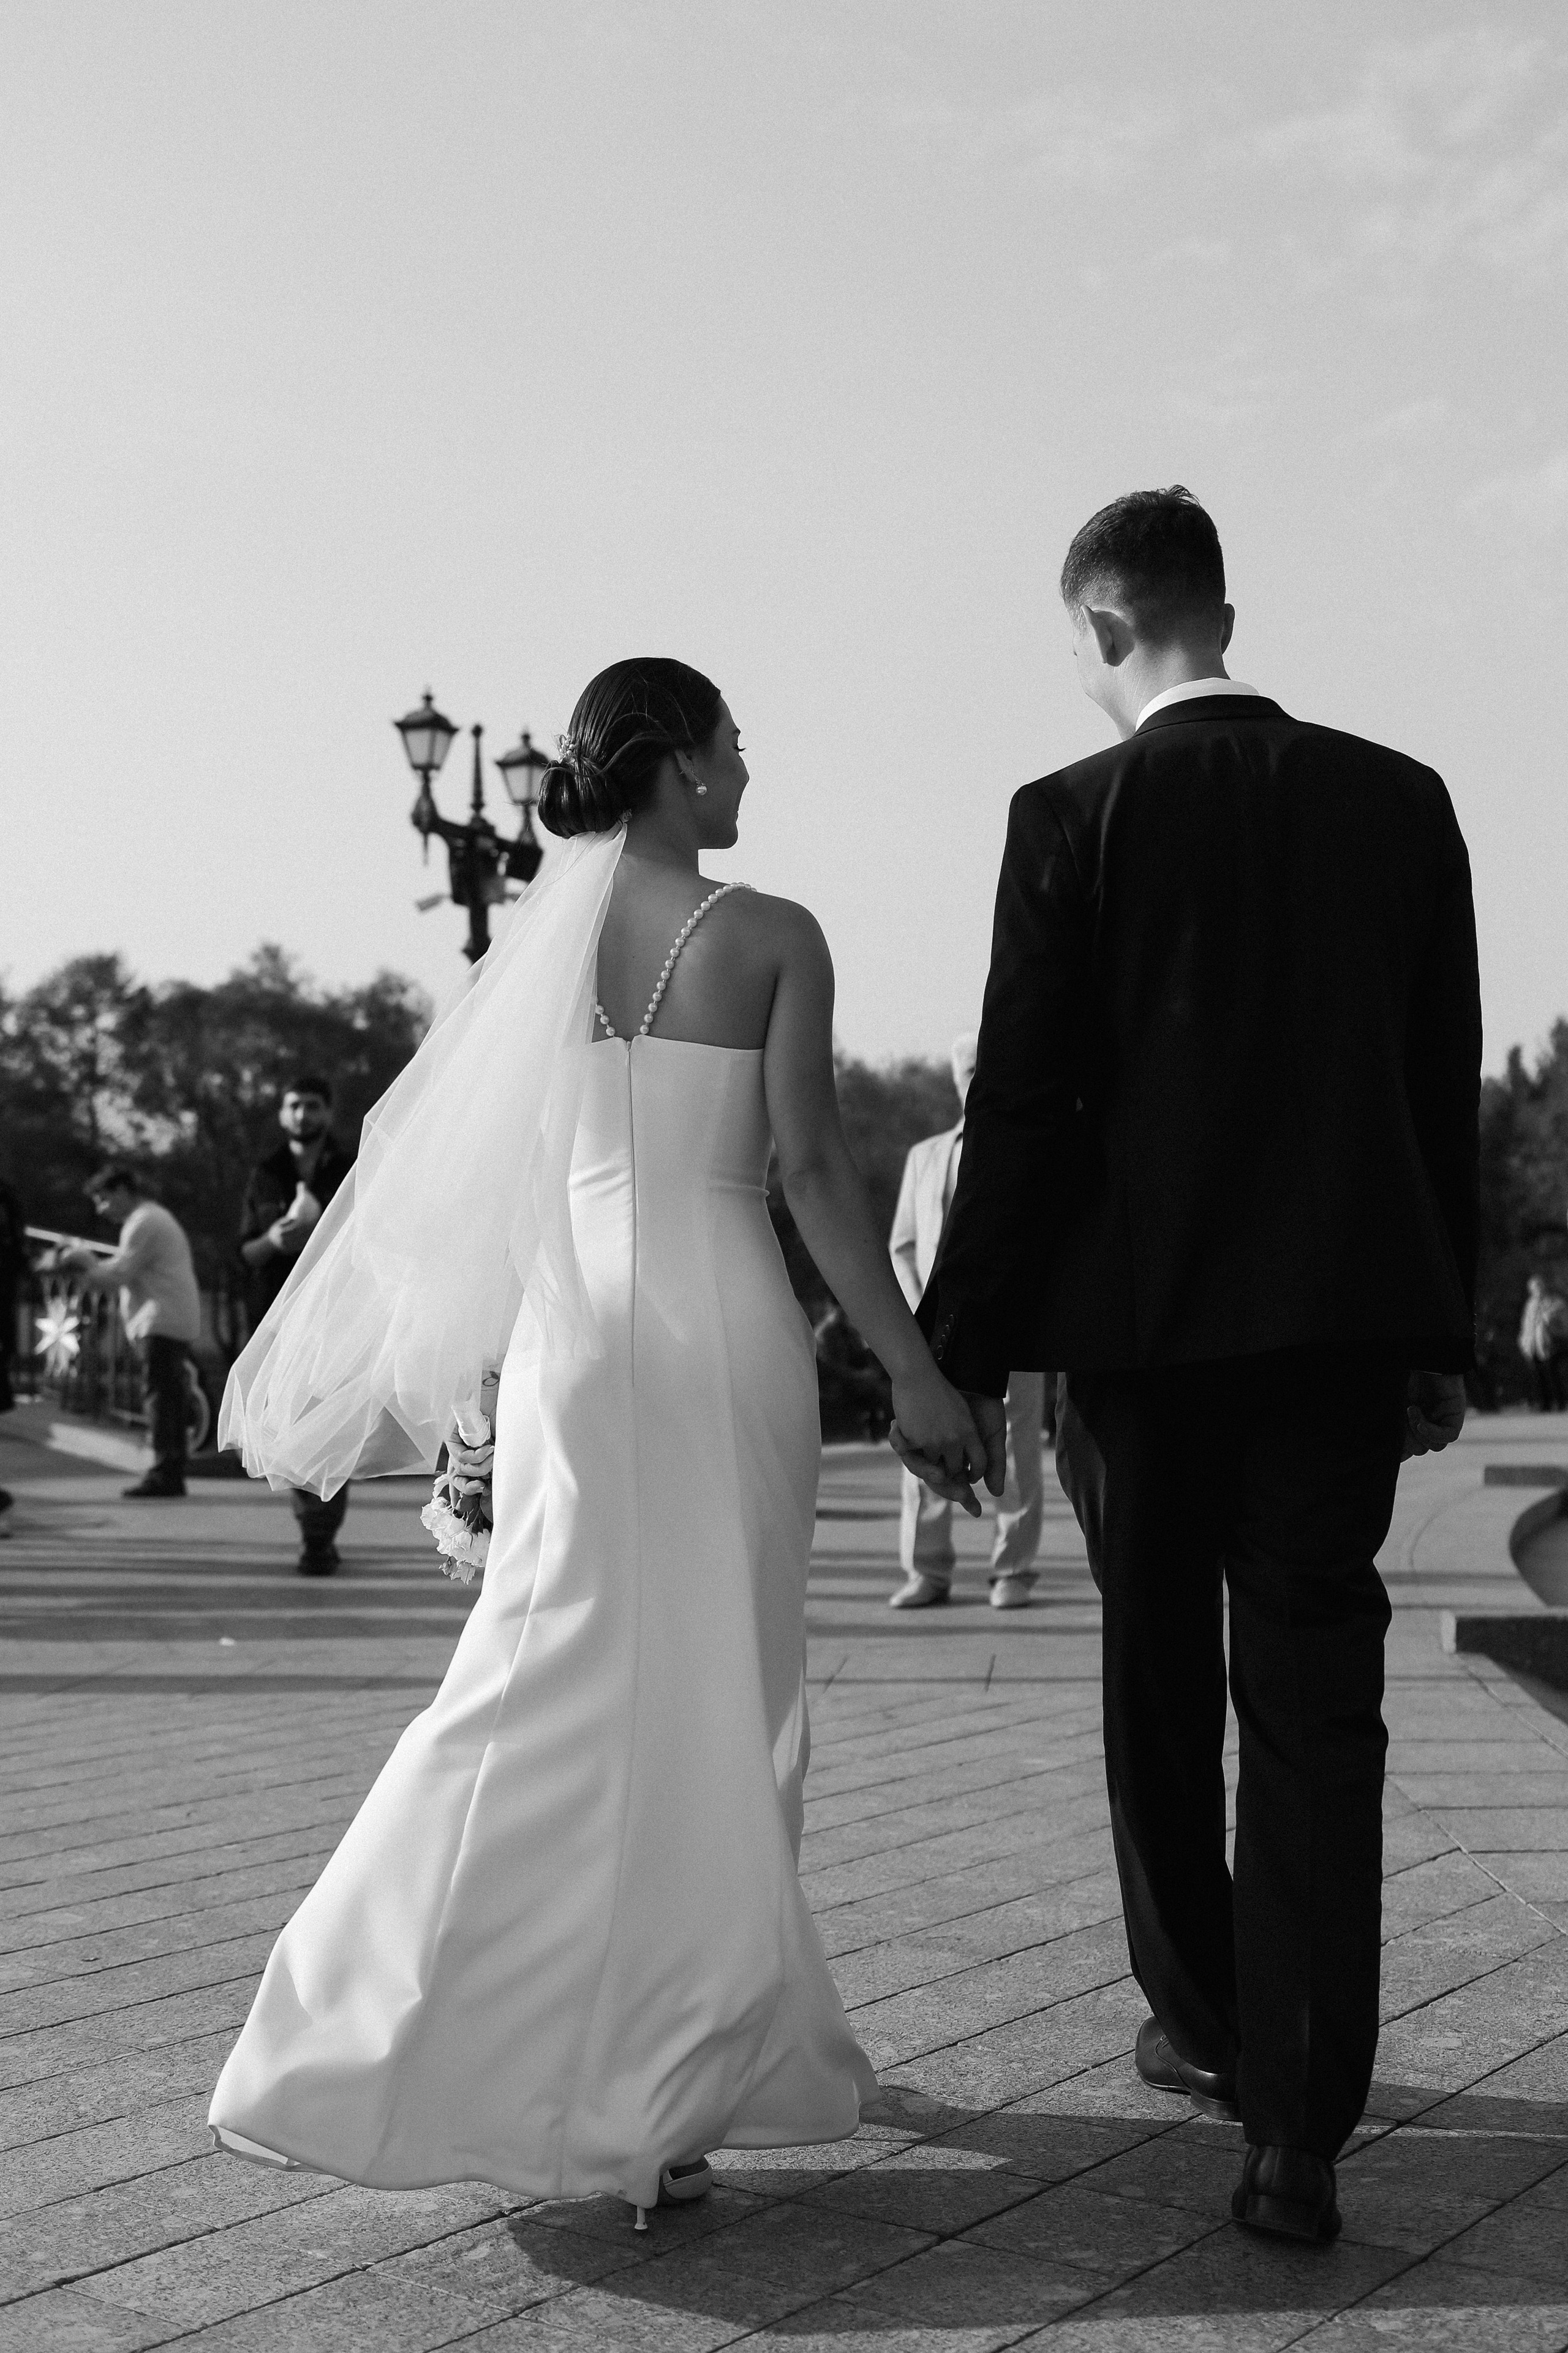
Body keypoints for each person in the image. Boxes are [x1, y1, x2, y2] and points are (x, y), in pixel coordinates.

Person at [211, 658, 987, 2224]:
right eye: (734, 745)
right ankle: (672, 2085)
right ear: (679, 765)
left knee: (537, 1673)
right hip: (721, 1331)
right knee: (722, 1691)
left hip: (575, 1348)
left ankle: (356, 2025)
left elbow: (492, 1193)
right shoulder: (771, 934)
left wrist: (489, 1391)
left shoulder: (534, 950)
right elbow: (813, 1177)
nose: (748, 770)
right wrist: (910, 1369)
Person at [907, 488, 1480, 2246]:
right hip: (1336, 1332)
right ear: (1221, 612)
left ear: (1100, 626)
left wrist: (957, 1352)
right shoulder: (1399, 799)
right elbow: (1435, 1085)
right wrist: (1439, 1330)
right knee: (1316, 1705)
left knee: (1155, 1688)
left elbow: (1018, 1107)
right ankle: (1297, 2131)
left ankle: (1209, 2023)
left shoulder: (1069, 815)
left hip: (1139, 1344)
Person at [888, 1032, 1046, 1611]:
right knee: (926, 1437)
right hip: (936, 1328)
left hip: (1014, 1329)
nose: (974, 1078)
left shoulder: (1033, 1146)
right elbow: (902, 1244)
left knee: (1017, 1449)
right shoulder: (926, 1156)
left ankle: (1012, 1568)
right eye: (966, 1069)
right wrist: (917, 1316)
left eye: (984, 1065)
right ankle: (927, 1568)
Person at [238, 1077, 357, 1573]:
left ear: (328, 1112)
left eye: (313, 1105)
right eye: (295, 1106)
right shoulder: (265, 1174)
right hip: (277, 1320)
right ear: (282, 1114)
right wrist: (273, 1239)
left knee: (328, 1429)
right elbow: (247, 1252)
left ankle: (319, 1538)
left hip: (335, 1320)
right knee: (289, 1429)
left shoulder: (351, 1167)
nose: (304, 1115)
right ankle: (312, 1527)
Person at [59, 1168, 203, 1499]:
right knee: (169, 1397)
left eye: (104, 1199)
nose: (101, 1209)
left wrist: (80, 1263)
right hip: (169, 1318)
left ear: (123, 1190)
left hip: (160, 1320)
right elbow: (124, 1267)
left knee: (160, 1399)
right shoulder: (152, 1219)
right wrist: (90, 1265)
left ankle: (165, 1474)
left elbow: (119, 1274)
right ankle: (171, 1471)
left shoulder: (144, 1222)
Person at [1518, 1274, 1567, 1411]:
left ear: (1544, 1286)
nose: (1537, 1289)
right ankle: (1544, 1404)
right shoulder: (1530, 1305)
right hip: (1533, 1345)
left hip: (1552, 1345)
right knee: (1538, 1376)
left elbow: (1564, 1324)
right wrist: (1524, 1342)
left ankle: (1560, 1402)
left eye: (1539, 1286)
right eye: (1534, 1287)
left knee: (1553, 1374)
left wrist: (1550, 1320)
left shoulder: (1555, 1303)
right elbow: (1526, 1326)